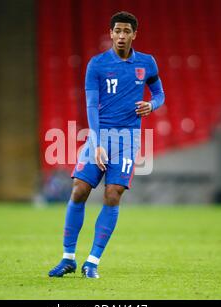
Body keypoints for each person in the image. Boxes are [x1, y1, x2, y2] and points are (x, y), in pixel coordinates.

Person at [49, 11, 165, 278]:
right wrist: (98, 143)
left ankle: (92, 261)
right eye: (117, 31)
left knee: (113, 194)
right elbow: (91, 105)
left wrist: (152, 104)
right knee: (79, 190)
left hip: (128, 139)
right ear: (110, 33)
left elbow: (159, 93)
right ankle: (68, 258)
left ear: (134, 34)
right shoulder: (97, 65)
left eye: (127, 31)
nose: (122, 36)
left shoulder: (147, 63)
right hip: (99, 137)